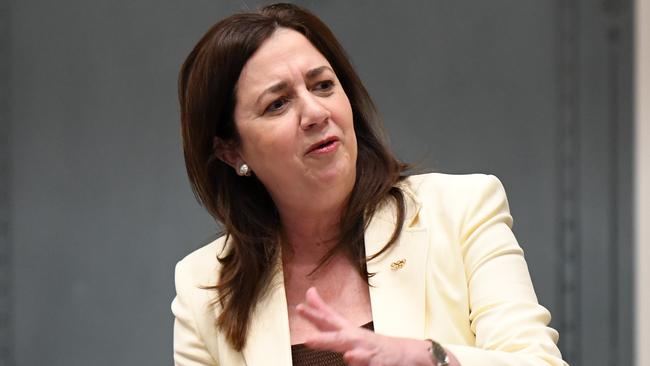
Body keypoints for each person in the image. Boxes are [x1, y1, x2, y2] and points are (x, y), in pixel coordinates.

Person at [172, 3, 567, 366]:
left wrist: (429, 358)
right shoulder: (204, 288)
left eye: (323, 85)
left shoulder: (461, 210)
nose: (315, 112)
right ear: (231, 152)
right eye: (277, 104)